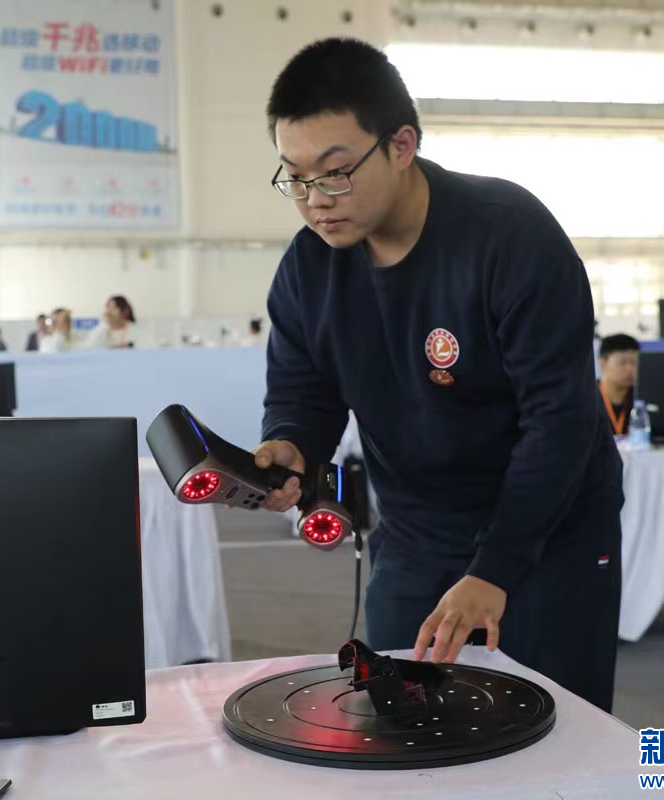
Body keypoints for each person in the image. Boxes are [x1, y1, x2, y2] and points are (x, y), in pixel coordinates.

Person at [254, 38, 624, 712]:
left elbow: (560, 419)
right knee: (405, 721)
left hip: (549, 528)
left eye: (334, 173)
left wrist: (496, 568)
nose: (314, 200)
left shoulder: (508, 236)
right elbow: (304, 392)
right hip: (417, 532)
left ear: (401, 145)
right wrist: (290, 445)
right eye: (295, 177)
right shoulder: (309, 268)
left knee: (557, 726)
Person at [597, 334, 639, 436]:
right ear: (603, 363)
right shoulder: (587, 397)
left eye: (634, 363)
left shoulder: (641, 398)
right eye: (622, 363)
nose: (630, 369)